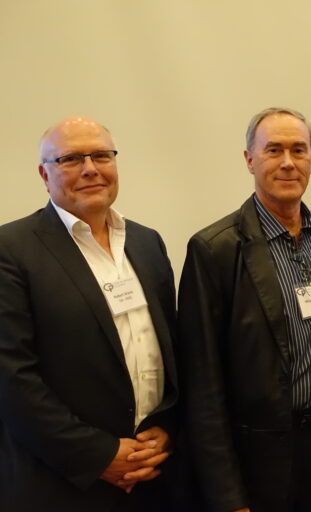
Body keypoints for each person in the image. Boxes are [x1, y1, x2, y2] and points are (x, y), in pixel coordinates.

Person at [178, 107, 311, 512]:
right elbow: (203, 385)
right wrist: (226, 493)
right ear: (249, 159)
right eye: (274, 150)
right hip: (261, 459)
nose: (288, 162)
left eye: (299, 150)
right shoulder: (214, 249)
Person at [0, 116, 179, 511]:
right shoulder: (11, 251)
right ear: (44, 174)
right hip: (62, 484)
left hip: (154, 478)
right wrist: (99, 456)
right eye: (71, 159)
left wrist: (167, 427)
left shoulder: (147, 243)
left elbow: (173, 351)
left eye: (101, 155)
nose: (91, 169)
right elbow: (12, 380)